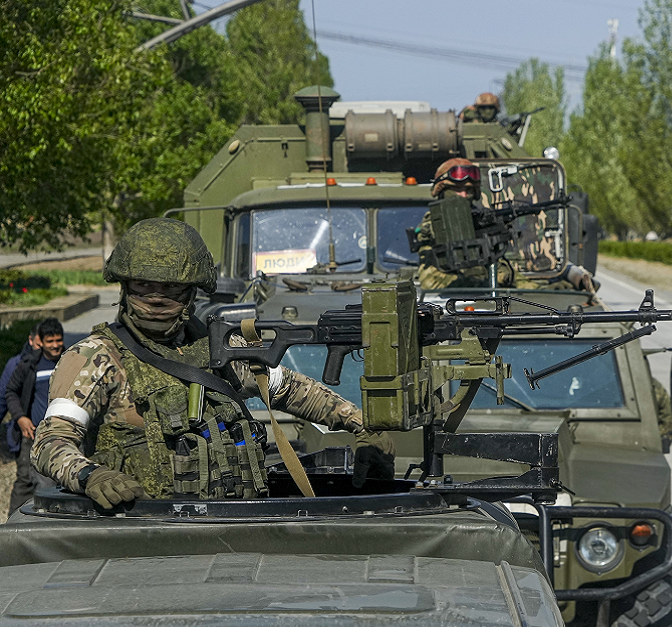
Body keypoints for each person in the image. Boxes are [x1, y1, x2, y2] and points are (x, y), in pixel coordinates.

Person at [30, 218, 395, 510]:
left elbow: (293, 390)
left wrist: (365, 427)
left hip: (237, 528)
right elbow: (49, 443)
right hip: (144, 533)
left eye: (171, 288)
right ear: (125, 288)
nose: (157, 299)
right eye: (144, 286)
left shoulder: (218, 347)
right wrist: (90, 476)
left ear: (191, 292)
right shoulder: (95, 358)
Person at [416, 158, 597, 293]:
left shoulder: (477, 220)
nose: (464, 195)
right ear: (442, 190)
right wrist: (487, 284)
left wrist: (540, 291)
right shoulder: (435, 222)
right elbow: (431, 281)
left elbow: (505, 274)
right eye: (457, 189)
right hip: (447, 302)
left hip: (484, 299)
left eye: (469, 190)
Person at [5, 318, 63, 515]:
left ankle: (52, 522)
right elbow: (10, 392)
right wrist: (20, 417)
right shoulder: (29, 364)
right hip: (33, 433)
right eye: (50, 341)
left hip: (63, 433)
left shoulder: (71, 360)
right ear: (41, 341)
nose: (55, 346)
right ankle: (13, 525)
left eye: (58, 340)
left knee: (57, 481)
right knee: (25, 480)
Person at [1, 324, 41, 458]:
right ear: (31, 340)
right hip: (24, 435)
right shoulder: (16, 365)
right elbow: (3, 399)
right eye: (38, 346)